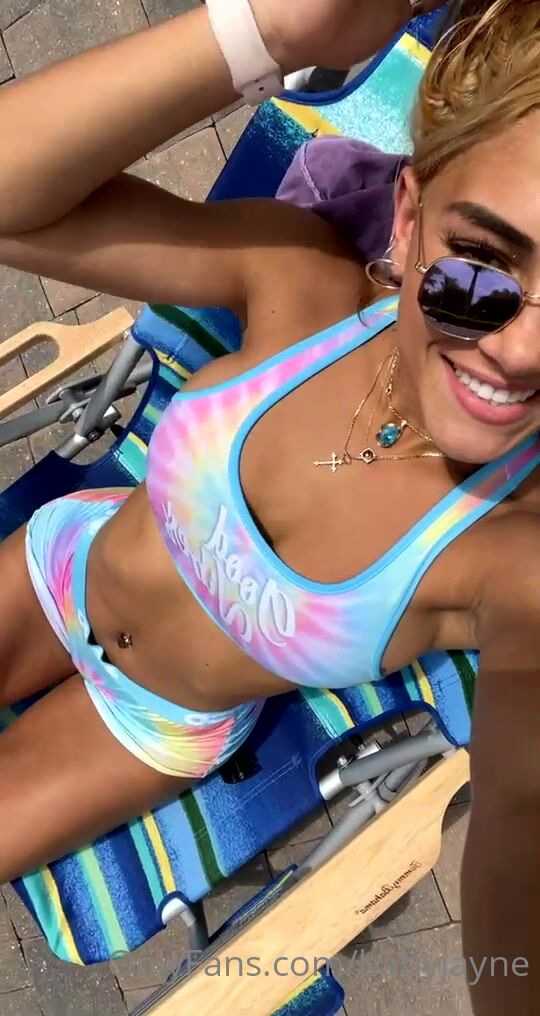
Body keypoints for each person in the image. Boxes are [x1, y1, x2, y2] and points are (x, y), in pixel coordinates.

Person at [0, 0, 538, 1010]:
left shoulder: (506, 548)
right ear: (411, 218)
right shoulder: (305, 288)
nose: (520, 350)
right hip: (62, 562)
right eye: (482, 266)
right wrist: (270, 32)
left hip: (151, 722)